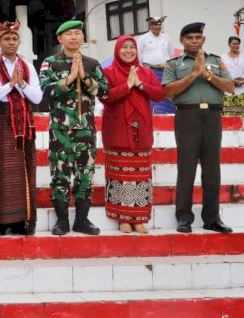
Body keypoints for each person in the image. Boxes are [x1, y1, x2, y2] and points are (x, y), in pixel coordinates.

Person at [162, 22, 235, 234]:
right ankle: (184, 217)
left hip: (212, 115)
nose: (194, 41)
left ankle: (212, 218)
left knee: (212, 168)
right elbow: (168, 91)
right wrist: (193, 74)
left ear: (203, 40)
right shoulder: (174, 64)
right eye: (189, 38)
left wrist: (208, 74)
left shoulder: (216, 61)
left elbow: (230, 87)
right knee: (187, 167)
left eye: (198, 37)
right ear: (182, 41)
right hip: (187, 115)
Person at [39, 19, 109, 236]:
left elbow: (105, 92)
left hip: (85, 130)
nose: (74, 37)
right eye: (69, 34)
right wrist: (68, 79)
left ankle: (81, 220)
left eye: (78, 33)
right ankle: (62, 221)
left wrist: (85, 79)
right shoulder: (50, 63)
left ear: (83, 38)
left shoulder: (93, 63)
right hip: (60, 129)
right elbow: (44, 92)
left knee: (85, 175)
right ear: (60, 38)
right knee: (60, 174)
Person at [100, 35, 166, 233]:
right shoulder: (108, 72)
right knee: (120, 172)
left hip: (141, 127)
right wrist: (127, 85)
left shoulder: (145, 72)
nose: (128, 51)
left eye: (132, 47)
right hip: (117, 128)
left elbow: (159, 94)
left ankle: (138, 217)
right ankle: (122, 218)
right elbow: (105, 96)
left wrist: (139, 85)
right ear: (117, 50)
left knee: (140, 174)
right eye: (124, 47)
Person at [0, 20, 43, 236]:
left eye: (14, 39)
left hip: (24, 122)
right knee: (1, 171)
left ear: (19, 42)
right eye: (6, 39)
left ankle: (21, 220)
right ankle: (0, 222)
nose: (11, 42)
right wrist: (10, 85)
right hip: (1, 120)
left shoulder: (28, 67)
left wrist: (22, 84)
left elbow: (37, 97)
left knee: (24, 170)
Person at [137, 16, 176, 114]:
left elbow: (171, 54)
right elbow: (138, 55)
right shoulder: (143, 38)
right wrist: (146, 67)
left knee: (166, 92)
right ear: (150, 25)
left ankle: (168, 113)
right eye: (155, 24)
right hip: (150, 70)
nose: (157, 27)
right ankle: (152, 113)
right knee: (151, 92)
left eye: (159, 25)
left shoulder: (167, 38)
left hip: (165, 70)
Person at [222, 36, 244, 116]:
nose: (236, 46)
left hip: (242, 89)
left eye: (238, 44)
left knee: (241, 112)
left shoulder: (243, 56)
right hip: (227, 89)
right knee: (229, 112)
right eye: (234, 44)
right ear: (229, 44)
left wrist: (242, 80)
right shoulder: (223, 57)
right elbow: (221, 72)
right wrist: (231, 81)